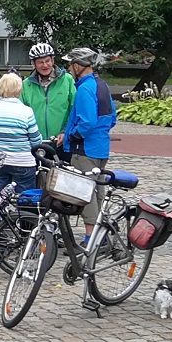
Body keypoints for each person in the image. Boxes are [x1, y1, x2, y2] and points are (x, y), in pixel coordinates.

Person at [61, 48, 117, 222]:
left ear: (78, 66)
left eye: (70, 64)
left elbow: (87, 122)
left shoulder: (85, 89)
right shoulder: (102, 85)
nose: (69, 68)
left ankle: (90, 239)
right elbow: (112, 117)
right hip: (101, 148)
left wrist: (69, 135)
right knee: (99, 192)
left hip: (84, 150)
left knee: (85, 194)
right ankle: (101, 237)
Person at [0, 73, 42, 194]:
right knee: (24, 198)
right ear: (19, 89)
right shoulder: (26, 111)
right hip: (22, 161)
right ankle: (22, 212)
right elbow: (36, 141)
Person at [21, 42, 75, 142]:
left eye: (47, 61)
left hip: (62, 141)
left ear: (53, 60)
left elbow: (75, 108)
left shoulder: (67, 80)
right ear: (34, 64)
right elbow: (21, 113)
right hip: (36, 142)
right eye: (40, 62)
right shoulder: (26, 84)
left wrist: (65, 131)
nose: (45, 65)